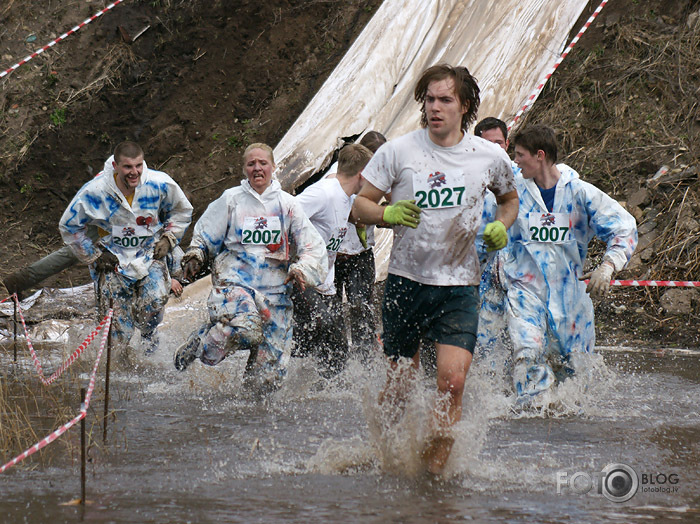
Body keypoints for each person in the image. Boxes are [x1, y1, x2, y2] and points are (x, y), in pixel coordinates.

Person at [352, 64, 519, 474]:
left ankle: (432, 477)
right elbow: (359, 205)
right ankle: (388, 461)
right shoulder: (398, 151)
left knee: (452, 383)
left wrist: (501, 225)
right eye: (429, 99)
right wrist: (388, 213)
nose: (435, 108)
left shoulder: (489, 156)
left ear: (465, 106)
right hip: (407, 283)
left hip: (460, 285)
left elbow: (509, 200)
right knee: (400, 389)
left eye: (445, 100)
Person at [173, 143, 328, 391]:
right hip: (234, 284)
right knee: (246, 328)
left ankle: (249, 416)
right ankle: (201, 343)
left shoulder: (288, 205)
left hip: (276, 294)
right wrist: (197, 254)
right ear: (244, 169)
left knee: (266, 383)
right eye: (251, 164)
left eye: (263, 163)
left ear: (273, 167)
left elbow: (313, 247)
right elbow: (206, 234)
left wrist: (302, 269)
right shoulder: (231, 200)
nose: (257, 168)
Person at [504, 125, 637, 399]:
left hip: (572, 297)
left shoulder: (580, 193)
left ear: (539, 155)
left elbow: (624, 226)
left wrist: (608, 266)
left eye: (519, 155)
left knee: (574, 376)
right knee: (526, 355)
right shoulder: (513, 193)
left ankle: (565, 427)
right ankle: (532, 419)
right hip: (526, 291)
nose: (515, 161)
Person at [59, 141, 193, 353]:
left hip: (150, 254)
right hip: (112, 260)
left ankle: (149, 341)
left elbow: (182, 210)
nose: (134, 172)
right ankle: (121, 367)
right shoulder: (96, 192)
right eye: (128, 167)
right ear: (115, 165)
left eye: (138, 166)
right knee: (118, 326)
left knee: (155, 300)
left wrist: (168, 238)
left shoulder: (159, 184)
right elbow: (69, 225)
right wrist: (94, 255)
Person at [293, 143, 373, 376]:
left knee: (333, 351)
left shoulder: (345, 196)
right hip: (304, 281)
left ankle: (305, 394)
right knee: (327, 332)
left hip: (325, 284)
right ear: (362, 174)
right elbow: (285, 215)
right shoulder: (324, 192)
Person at [333, 131, 386, 361]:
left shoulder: (385, 178)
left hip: (362, 254)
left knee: (361, 307)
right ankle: (336, 359)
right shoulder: (342, 177)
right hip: (335, 253)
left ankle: (365, 361)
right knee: (331, 310)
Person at [473, 117, 521, 356]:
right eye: (487, 144)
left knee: (523, 346)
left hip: (521, 278)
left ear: (508, 144)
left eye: (499, 143)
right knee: (484, 349)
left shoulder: (524, 179)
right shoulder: (468, 183)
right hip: (481, 280)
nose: (494, 149)